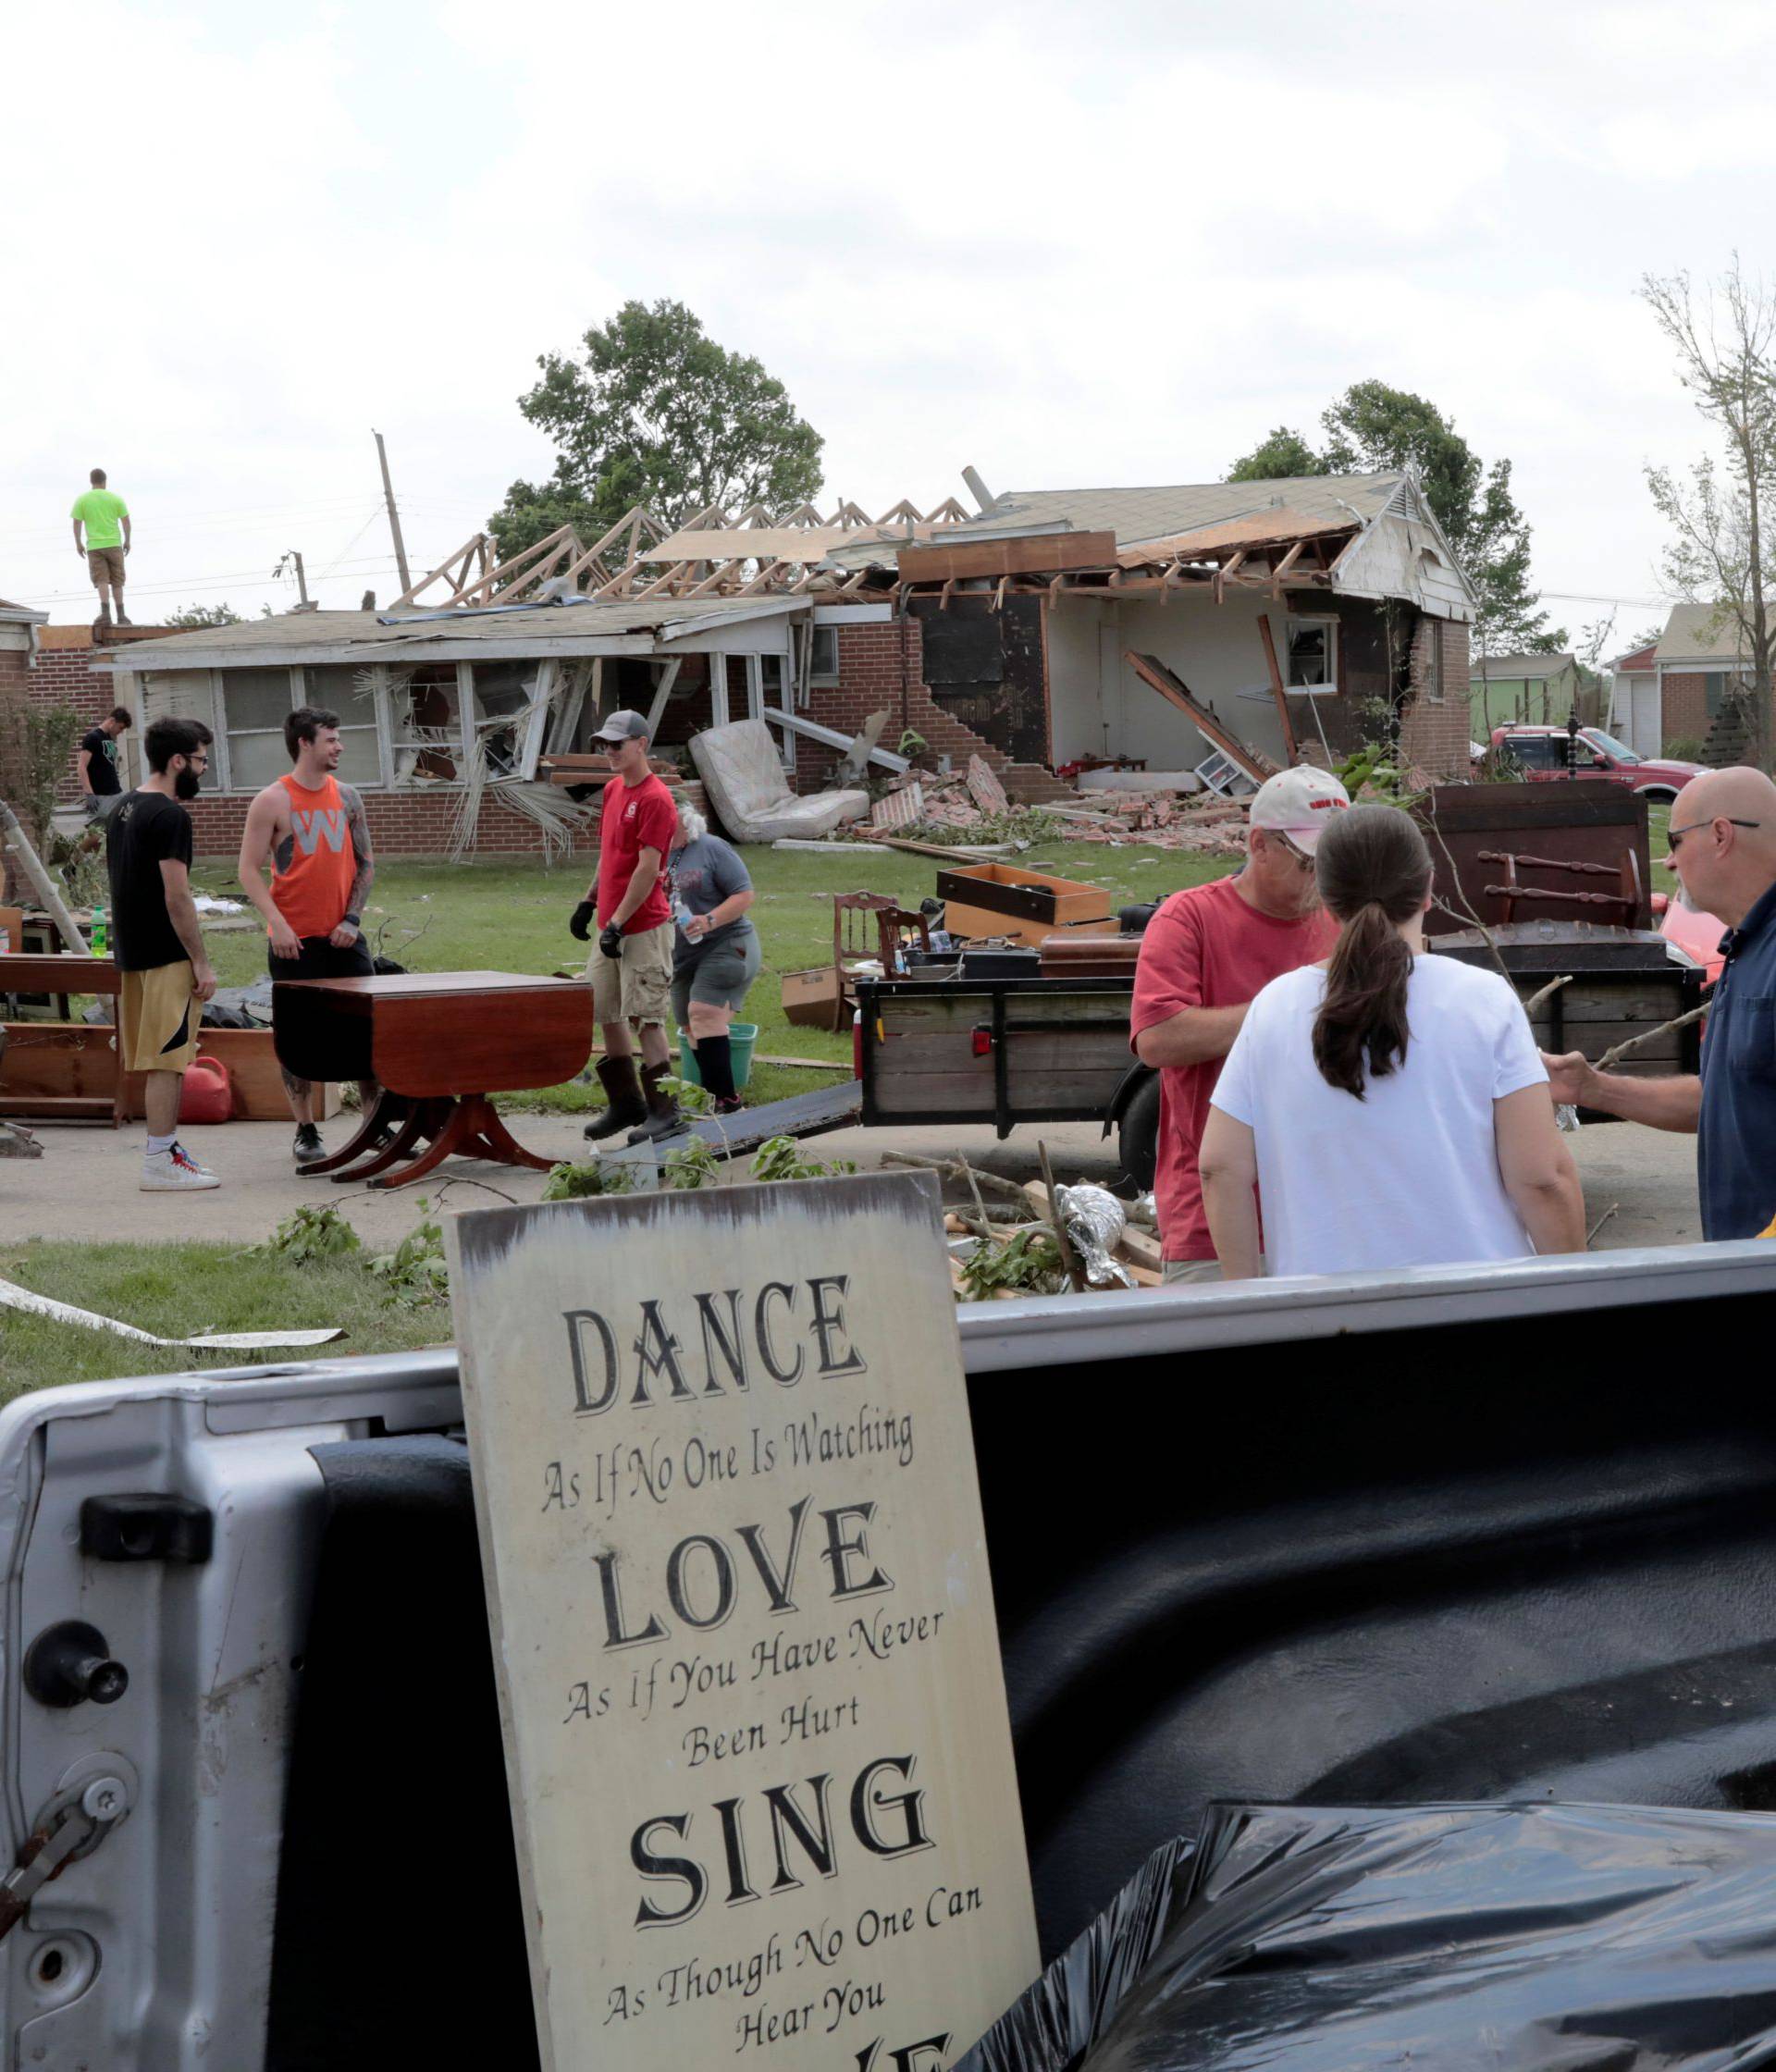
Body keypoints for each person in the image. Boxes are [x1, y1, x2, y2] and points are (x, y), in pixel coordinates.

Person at [1201, 805, 1586, 1278]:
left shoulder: (1273, 1008)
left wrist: (1250, 1304)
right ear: (1427, 888)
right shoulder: (1483, 1000)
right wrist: (1575, 1298)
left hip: (1316, 1317)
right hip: (1477, 1310)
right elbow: (1542, 1179)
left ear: (1324, 894)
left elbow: (1220, 1168)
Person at [1130, 766, 1350, 1282]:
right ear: (1258, 844)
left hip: (1330, 1215)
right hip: (1215, 1218)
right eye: (1310, 864)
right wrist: (1288, 1005)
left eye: (1336, 865)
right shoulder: (1189, 918)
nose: (1324, 882)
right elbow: (1157, 1040)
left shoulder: (1345, 922)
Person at [1544, 765, 1776, 1242]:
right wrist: (1590, 1087)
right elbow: (1721, 1099)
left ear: (1720, 835)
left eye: (1674, 842)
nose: (1669, 863)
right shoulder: (1746, 946)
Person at [238, 707, 378, 1166]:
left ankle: (374, 1126)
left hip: (344, 939)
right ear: (304, 743)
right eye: (331, 739)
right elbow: (248, 870)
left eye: (339, 739)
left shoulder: (349, 797)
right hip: (294, 942)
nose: (339, 746)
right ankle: (305, 1129)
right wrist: (277, 922)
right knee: (297, 1039)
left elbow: (366, 863)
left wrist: (351, 921)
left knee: (369, 1032)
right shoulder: (272, 800)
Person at [105, 716, 220, 1190]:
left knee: (158, 1060)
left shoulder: (123, 806)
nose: (204, 770)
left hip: (132, 954)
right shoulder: (170, 815)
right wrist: (200, 960)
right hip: (166, 956)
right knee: (169, 1061)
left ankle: (165, 1151)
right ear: (178, 761)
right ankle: (158, 1161)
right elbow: (177, 896)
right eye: (200, 760)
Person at [569, 710, 682, 1145]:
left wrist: (618, 923)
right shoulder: (614, 789)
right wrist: (589, 901)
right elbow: (609, 856)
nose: (609, 752)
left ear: (641, 744)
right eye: (604, 745)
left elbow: (648, 868)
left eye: (617, 744)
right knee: (604, 1012)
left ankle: (666, 1112)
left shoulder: (656, 798)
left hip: (643, 928)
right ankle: (627, 1104)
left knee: (646, 1017)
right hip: (610, 925)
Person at [667, 798, 759, 1116]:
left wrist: (708, 920)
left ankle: (727, 1101)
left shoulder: (711, 847)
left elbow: (744, 894)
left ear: (682, 817)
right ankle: (710, 1097)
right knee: (691, 1026)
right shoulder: (652, 852)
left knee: (703, 1012)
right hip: (681, 953)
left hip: (727, 942)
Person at [71, 468, 132, 627]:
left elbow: (77, 522)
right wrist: (127, 541)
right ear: (105, 481)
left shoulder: (82, 500)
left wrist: (78, 542)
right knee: (117, 580)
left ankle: (105, 614)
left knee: (102, 579)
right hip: (114, 544)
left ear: (91, 481)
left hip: (94, 547)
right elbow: (126, 521)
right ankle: (121, 615)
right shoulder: (115, 499)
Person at [78, 705, 132, 817]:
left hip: (116, 793)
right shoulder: (92, 737)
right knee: (101, 831)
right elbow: (81, 767)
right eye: (121, 728)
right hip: (101, 796)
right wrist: (89, 794)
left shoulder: (108, 738)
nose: (121, 732)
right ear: (112, 721)